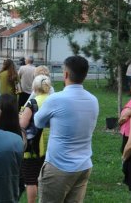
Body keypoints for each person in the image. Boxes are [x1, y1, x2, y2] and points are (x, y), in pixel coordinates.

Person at [35, 55, 99, 202]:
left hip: (58, 166)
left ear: (65, 74)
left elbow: (38, 121)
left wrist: (53, 122)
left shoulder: (56, 99)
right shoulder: (93, 100)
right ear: (85, 75)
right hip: (83, 165)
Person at [19, 75, 52, 203]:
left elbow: (23, 124)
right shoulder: (52, 100)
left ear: (34, 87)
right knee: (42, 176)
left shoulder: (32, 102)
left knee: (30, 179)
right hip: (49, 143)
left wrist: (19, 117)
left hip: (33, 145)